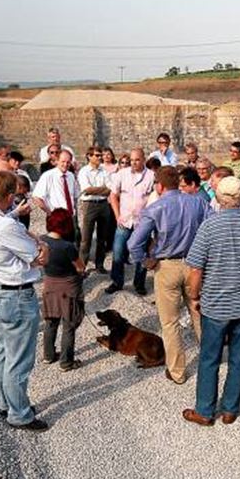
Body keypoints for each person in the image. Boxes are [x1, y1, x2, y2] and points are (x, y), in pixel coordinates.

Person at [182, 176, 240, 426]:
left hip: (216, 305)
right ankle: (230, 409)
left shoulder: (209, 226)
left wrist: (194, 295)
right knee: (238, 358)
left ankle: (205, 410)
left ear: (219, 199)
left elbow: (195, 269)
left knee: (209, 358)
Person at [0, 171, 51, 432]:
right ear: (8, 196)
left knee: (3, 350)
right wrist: (42, 244)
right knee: (19, 359)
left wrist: (15, 214)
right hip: (16, 295)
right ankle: (20, 414)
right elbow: (38, 258)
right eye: (13, 197)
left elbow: (2, 222)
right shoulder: (5, 226)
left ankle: (6, 403)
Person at [128, 166, 211, 385]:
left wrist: (145, 261)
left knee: (170, 322)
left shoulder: (156, 208)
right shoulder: (199, 202)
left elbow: (133, 243)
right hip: (195, 265)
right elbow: (212, 228)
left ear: (160, 185)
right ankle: (211, 358)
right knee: (199, 312)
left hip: (167, 267)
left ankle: (177, 372)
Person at [41, 209, 86, 372]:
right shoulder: (68, 247)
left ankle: (48, 355)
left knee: (51, 322)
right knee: (68, 325)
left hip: (49, 284)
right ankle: (66, 362)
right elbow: (80, 267)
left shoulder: (42, 240)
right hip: (68, 287)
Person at [106, 147, 155, 295]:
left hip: (142, 223)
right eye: (131, 160)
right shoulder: (121, 174)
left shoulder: (152, 176)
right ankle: (116, 281)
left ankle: (139, 284)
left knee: (141, 254)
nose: (133, 163)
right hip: (125, 220)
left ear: (143, 159)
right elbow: (113, 195)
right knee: (118, 252)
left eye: (137, 160)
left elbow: (156, 198)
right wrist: (117, 215)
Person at [77, 147, 112, 273]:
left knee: (102, 238)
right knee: (86, 238)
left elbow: (110, 189)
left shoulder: (104, 170)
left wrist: (96, 189)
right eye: (97, 155)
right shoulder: (84, 171)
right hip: (89, 205)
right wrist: (102, 189)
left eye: (100, 155)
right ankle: (82, 267)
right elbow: (87, 189)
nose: (99, 157)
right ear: (89, 156)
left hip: (103, 204)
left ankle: (99, 265)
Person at [32, 149, 80, 231]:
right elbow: (36, 197)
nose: (65, 164)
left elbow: (75, 196)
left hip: (70, 217)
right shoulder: (48, 176)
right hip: (56, 218)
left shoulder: (71, 176)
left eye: (68, 162)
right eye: (63, 161)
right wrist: (50, 213)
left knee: (72, 242)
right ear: (57, 161)